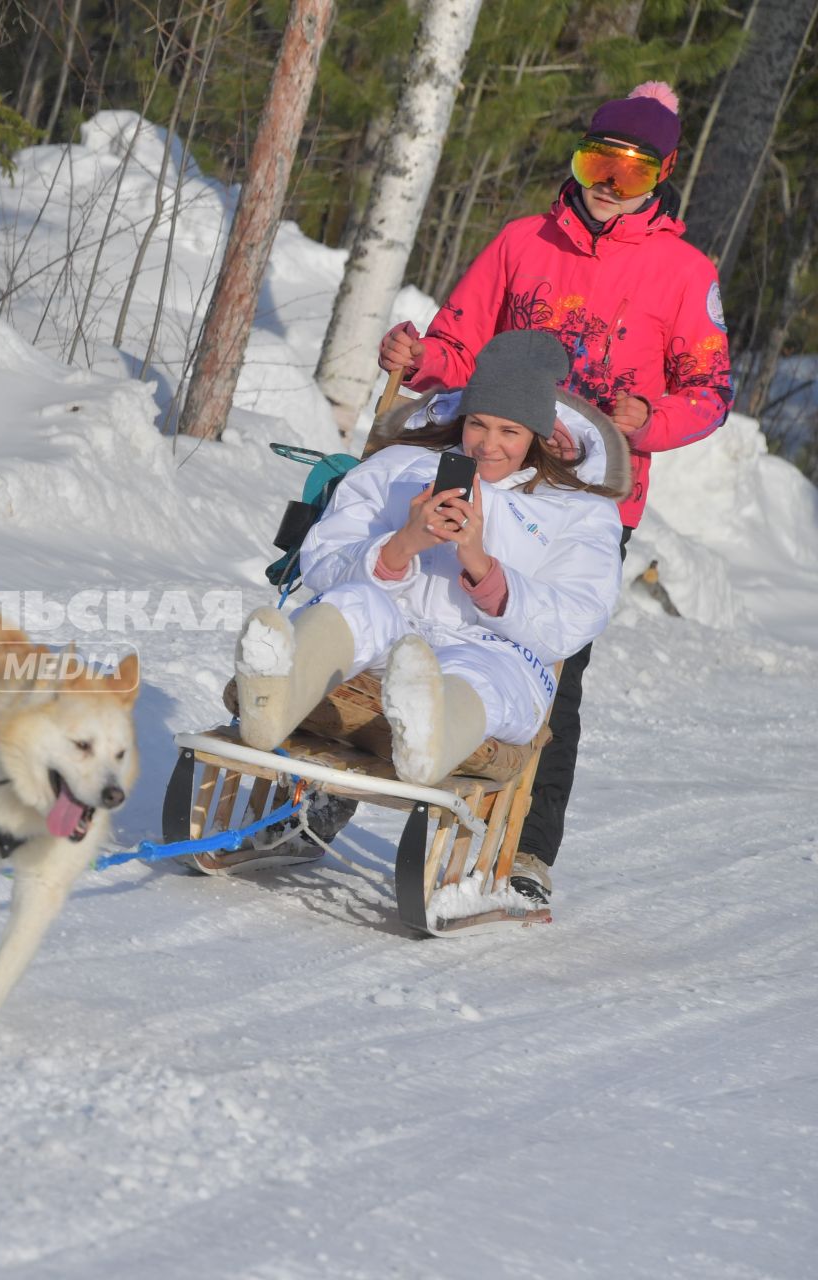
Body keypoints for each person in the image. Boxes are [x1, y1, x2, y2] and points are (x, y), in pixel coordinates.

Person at [374, 81, 731, 902]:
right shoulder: (520, 242)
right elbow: (460, 346)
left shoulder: (685, 272)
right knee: (418, 616)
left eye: (631, 172)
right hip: (489, 467)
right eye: (596, 160)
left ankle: (528, 848)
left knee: (550, 665)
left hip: (591, 498)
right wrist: (422, 359)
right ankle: (363, 773)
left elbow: (711, 392)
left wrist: (648, 419)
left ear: (663, 175)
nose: (608, 182)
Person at [234, 331, 626, 856]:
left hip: (493, 648)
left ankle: (429, 736)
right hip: (390, 632)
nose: (488, 444)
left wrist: (482, 566)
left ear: (536, 433)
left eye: (509, 431)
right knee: (351, 604)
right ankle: (272, 701)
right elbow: (324, 557)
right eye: (478, 423)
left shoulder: (576, 511)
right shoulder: (398, 467)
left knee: (483, 675)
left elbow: (575, 620)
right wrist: (402, 544)